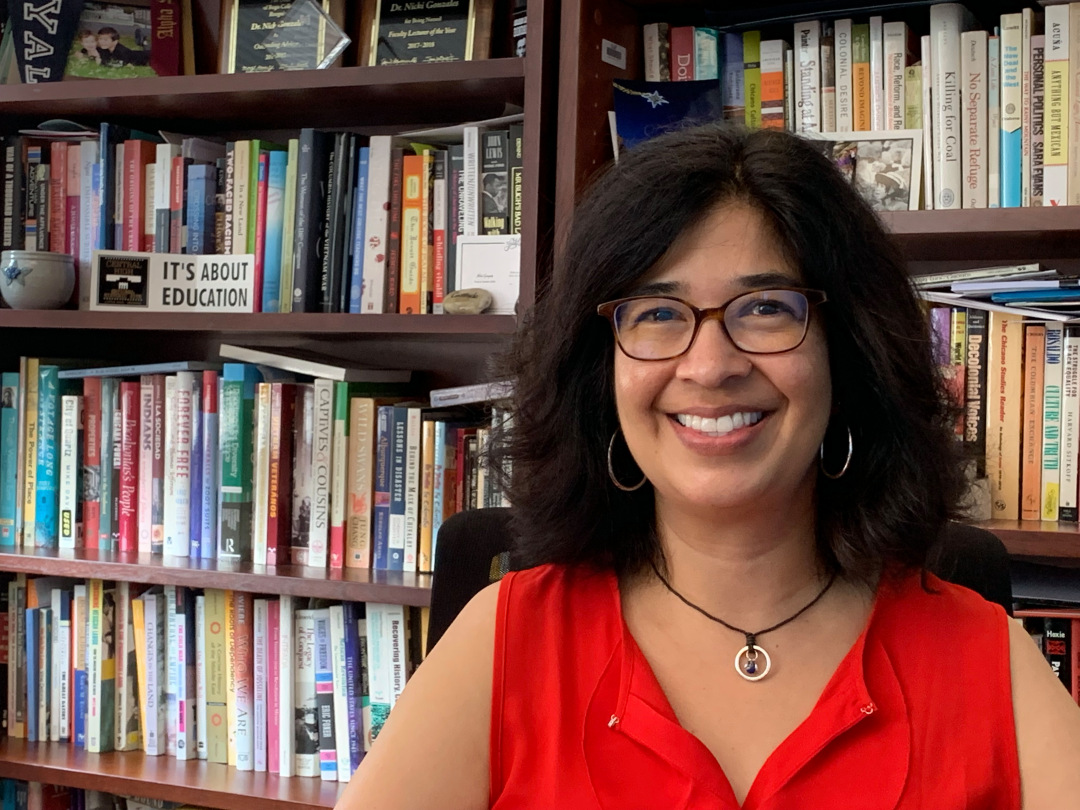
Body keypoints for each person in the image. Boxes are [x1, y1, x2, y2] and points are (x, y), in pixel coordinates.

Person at [339, 124, 1080, 808]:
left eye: (765, 308)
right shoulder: (503, 644)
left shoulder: (985, 660)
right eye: (656, 314)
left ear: (848, 353)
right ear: (602, 372)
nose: (711, 365)